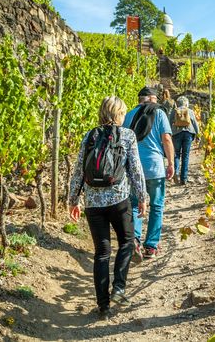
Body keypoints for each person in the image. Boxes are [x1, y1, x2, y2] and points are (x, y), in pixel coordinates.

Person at [68, 96, 147, 319]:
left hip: (93, 204)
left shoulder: (90, 135)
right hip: (119, 200)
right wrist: (142, 197)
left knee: (102, 253)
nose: (123, 116)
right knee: (127, 242)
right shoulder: (127, 135)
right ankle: (119, 288)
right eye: (122, 112)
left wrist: (73, 200)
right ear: (118, 114)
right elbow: (135, 169)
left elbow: (78, 171)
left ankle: (103, 306)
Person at [123, 86, 174, 259]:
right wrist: (171, 163)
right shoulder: (159, 113)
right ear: (153, 98)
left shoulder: (128, 115)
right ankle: (151, 247)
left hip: (134, 168)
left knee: (135, 204)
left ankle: (135, 240)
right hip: (155, 167)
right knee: (157, 206)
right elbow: (166, 139)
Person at [169, 96, 200, 186]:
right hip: (188, 133)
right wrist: (198, 134)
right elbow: (195, 123)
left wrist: (168, 133)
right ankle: (184, 178)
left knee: (176, 154)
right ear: (186, 103)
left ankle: (176, 173)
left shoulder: (174, 111)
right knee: (185, 155)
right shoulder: (190, 111)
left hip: (176, 133)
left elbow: (169, 122)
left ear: (177, 103)